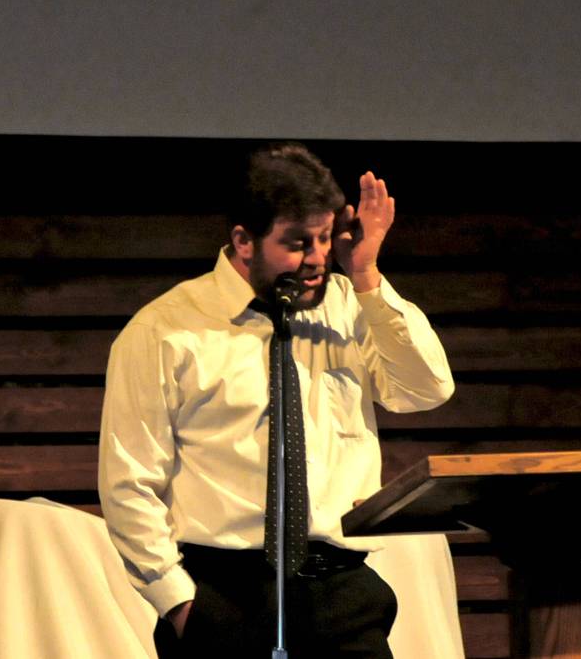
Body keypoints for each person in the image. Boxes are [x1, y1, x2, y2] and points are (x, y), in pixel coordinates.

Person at [98, 143, 454, 658]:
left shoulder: (347, 304)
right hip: (225, 596)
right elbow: (128, 482)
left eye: (326, 238)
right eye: (297, 243)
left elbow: (424, 389)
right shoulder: (165, 330)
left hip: (343, 595)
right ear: (244, 241)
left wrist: (367, 276)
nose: (316, 259)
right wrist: (179, 605)